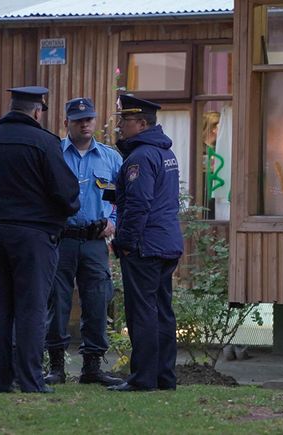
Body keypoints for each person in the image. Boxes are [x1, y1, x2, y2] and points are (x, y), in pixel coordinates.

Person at [0, 86, 80, 393]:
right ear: (37, 111)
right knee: (31, 307)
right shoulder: (45, 143)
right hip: (34, 237)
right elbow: (67, 194)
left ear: (11, 107)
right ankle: (30, 380)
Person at [43, 97, 124, 386]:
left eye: (89, 118)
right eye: (78, 120)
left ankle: (92, 368)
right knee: (57, 303)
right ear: (66, 123)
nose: (85, 124)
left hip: (94, 242)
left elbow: (121, 200)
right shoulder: (52, 155)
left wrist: (114, 221)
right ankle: (56, 368)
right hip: (61, 240)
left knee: (97, 302)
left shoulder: (111, 158)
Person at [107, 94, 184, 392]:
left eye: (124, 121)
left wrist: (124, 242)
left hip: (145, 245)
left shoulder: (139, 157)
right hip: (166, 242)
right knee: (162, 311)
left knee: (142, 313)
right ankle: (164, 376)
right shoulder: (166, 154)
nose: (120, 126)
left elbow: (140, 204)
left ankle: (142, 378)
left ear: (141, 123)